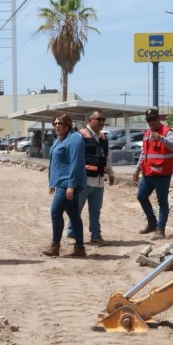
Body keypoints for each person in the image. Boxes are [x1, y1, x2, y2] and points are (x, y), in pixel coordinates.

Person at [65, 110, 114, 244]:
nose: (102, 123)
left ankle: (96, 235)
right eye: (99, 120)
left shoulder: (104, 138)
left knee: (95, 210)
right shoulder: (80, 135)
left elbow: (107, 157)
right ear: (90, 121)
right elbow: (73, 158)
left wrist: (111, 173)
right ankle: (71, 233)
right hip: (83, 181)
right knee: (76, 209)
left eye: (103, 120)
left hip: (98, 181)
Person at [42, 113, 87, 258]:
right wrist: (52, 182)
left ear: (68, 125)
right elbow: (56, 163)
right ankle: (80, 247)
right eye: (54, 124)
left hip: (69, 182)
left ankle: (55, 245)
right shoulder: (59, 139)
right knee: (73, 215)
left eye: (59, 124)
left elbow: (75, 164)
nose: (56, 126)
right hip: (61, 182)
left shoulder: (74, 140)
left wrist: (71, 186)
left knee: (55, 212)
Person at [134, 107, 173, 238]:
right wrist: (137, 169)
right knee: (141, 196)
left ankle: (160, 229)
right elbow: (144, 153)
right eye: (149, 120)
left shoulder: (167, 132)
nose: (151, 122)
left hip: (162, 174)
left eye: (153, 119)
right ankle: (152, 222)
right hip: (148, 173)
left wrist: (161, 138)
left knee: (162, 202)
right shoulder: (147, 134)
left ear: (158, 119)